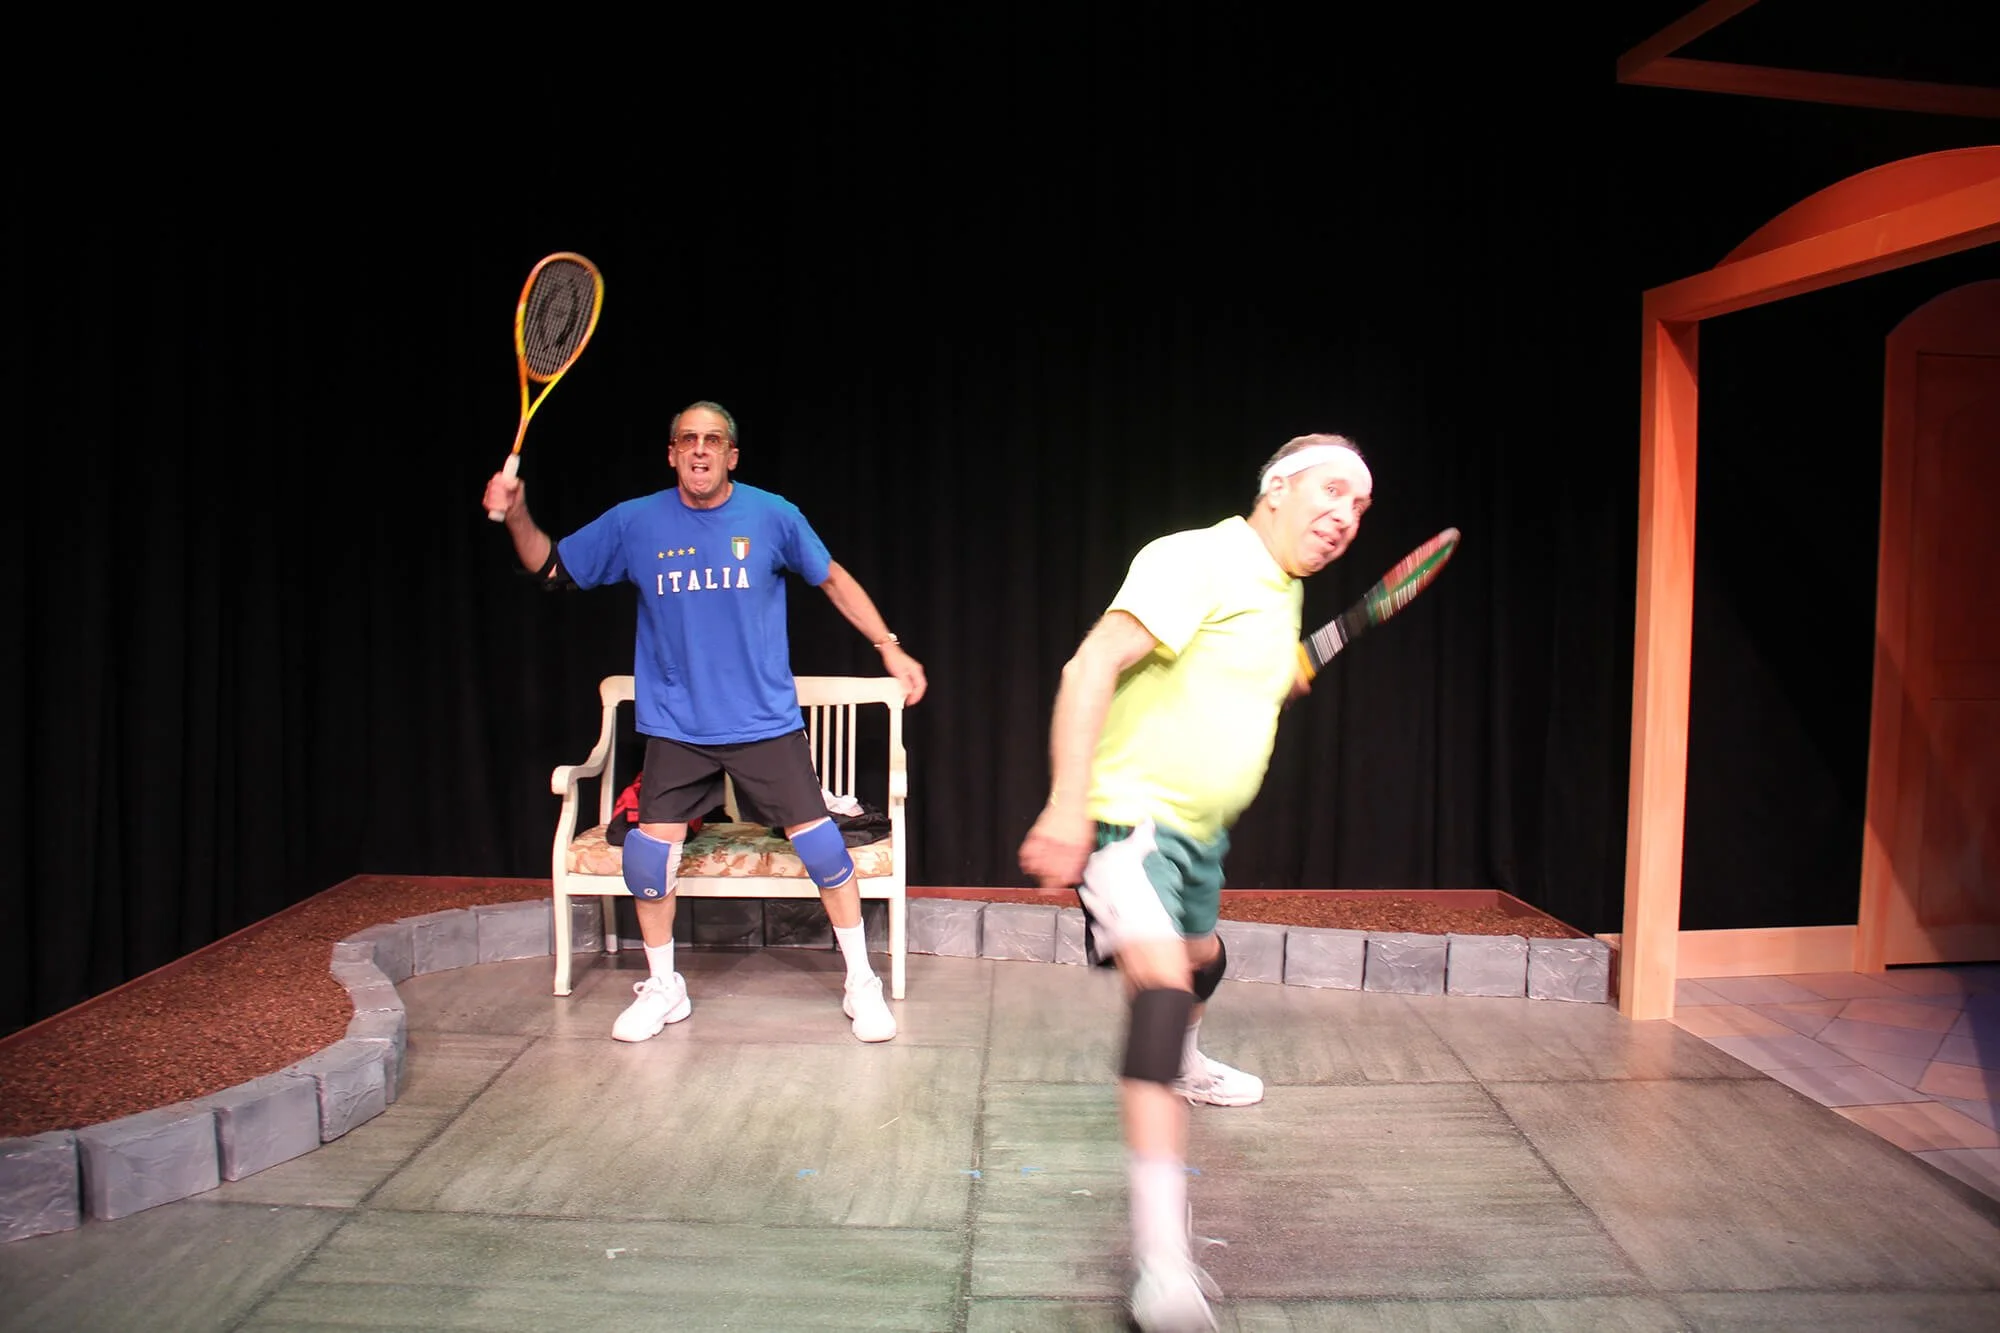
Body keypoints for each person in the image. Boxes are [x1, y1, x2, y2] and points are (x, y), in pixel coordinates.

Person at [1017, 434, 1372, 1332]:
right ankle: (1163, 1270)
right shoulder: (1200, 557)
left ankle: (1187, 1062)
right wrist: (1066, 805)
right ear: (1277, 488)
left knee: (1205, 958)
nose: (1347, 516)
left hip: (1200, 837)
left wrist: (1315, 652)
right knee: (1165, 993)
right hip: (1126, 823)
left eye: (1362, 508)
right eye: (1335, 491)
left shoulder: (1281, 590)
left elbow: (1258, 680)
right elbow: (1090, 664)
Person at [484, 401, 927, 1044]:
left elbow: (831, 579)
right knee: (645, 862)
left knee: (827, 850)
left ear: (731, 455)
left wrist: (889, 645)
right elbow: (551, 569)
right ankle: (666, 988)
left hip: (763, 723)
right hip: (678, 729)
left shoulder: (772, 515)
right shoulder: (636, 522)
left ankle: (862, 981)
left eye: (712, 440)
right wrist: (517, 511)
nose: (699, 450)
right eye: (687, 439)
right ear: (671, 453)